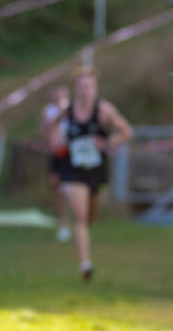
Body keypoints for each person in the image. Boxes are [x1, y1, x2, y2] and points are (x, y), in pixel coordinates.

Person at [51, 68, 133, 281]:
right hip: (73, 168)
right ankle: (85, 265)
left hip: (97, 170)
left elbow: (126, 131)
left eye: (88, 86)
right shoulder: (68, 111)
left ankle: (84, 232)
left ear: (95, 88)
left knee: (90, 216)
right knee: (80, 215)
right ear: (76, 89)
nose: (85, 90)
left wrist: (107, 143)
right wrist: (55, 142)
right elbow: (52, 127)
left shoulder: (104, 110)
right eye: (81, 86)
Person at [41, 85, 72, 242]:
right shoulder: (48, 111)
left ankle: (74, 221)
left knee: (71, 188)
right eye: (57, 94)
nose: (59, 97)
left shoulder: (73, 109)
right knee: (56, 186)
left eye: (62, 94)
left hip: (72, 153)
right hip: (57, 154)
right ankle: (62, 224)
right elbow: (46, 130)